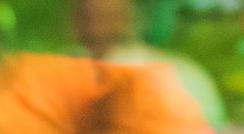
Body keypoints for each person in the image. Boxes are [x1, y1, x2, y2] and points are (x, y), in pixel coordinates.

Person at [63, 0, 226, 124]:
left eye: (107, 15)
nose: (98, 25)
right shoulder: (61, 71)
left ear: (134, 17)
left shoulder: (182, 75)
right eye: (90, 15)